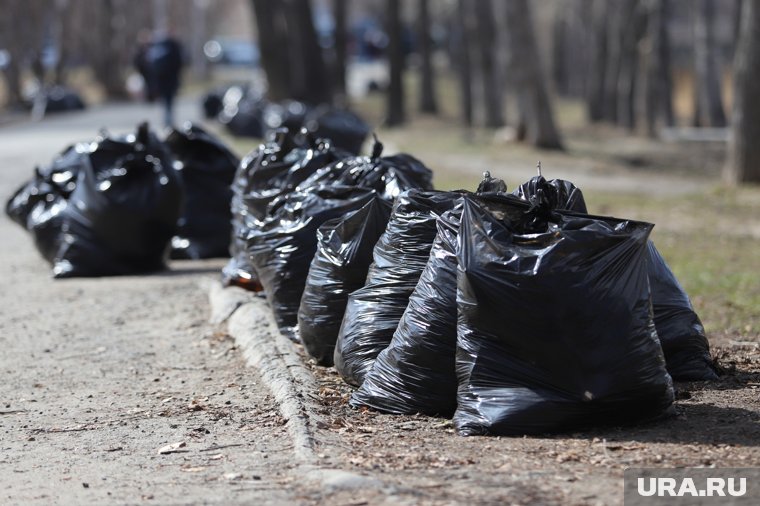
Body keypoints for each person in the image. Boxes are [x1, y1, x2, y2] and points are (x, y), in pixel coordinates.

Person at [144, 32, 184, 127]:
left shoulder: (158, 49)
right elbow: (179, 63)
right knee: (169, 101)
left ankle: (167, 120)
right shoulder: (173, 47)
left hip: (162, 81)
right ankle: (168, 120)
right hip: (170, 80)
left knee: (166, 101)